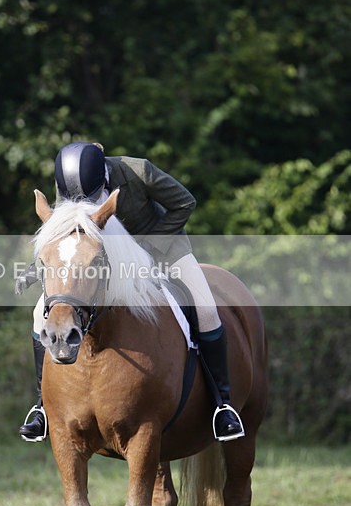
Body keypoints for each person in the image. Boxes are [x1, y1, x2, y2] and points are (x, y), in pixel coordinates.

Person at [17, 142, 244, 442]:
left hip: (164, 251)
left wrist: (146, 248)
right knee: (39, 315)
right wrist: (36, 270)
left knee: (205, 308)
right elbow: (64, 239)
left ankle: (222, 405)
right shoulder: (69, 188)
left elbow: (184, 203)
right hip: (101, 262)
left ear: (105, 176)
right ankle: (41, 407)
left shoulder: (139, 171)